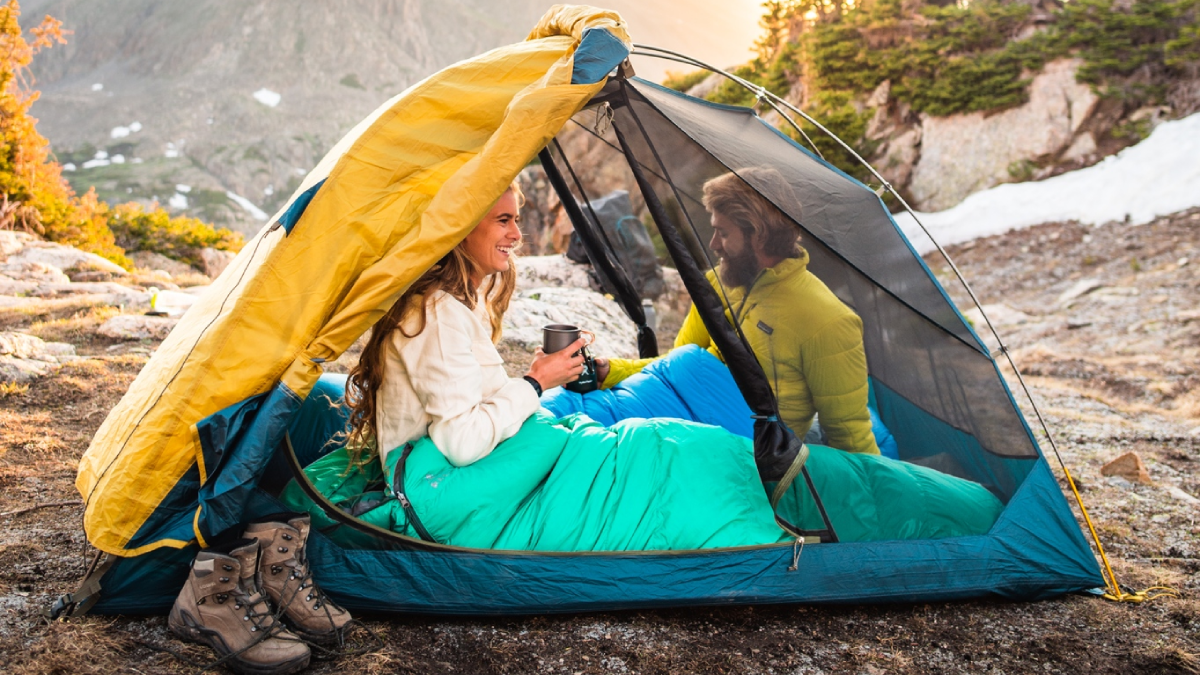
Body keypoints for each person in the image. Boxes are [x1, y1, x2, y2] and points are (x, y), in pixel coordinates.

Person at [598, 168, 880, 455]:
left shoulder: (827, 320)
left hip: (737, 450)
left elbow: (850, 435)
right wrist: (611, 371)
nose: (713, 245)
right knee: (580, 412)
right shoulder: (717, 283)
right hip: (677, 416)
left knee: (595, 444)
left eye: (722, 233)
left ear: (758, 234)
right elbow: (673, 368)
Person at [343, 183, 586, 469]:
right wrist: (535, 382)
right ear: (463, 226)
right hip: (437, 482)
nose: (517, 235)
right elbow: (463, 443)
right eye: (503, 220)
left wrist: (540, 376)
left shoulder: (456, 302)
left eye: (516, 220)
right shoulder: (435, 314)